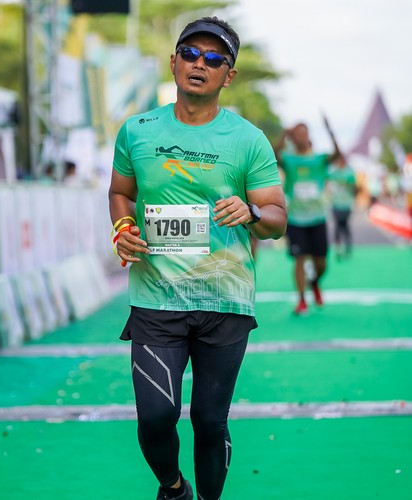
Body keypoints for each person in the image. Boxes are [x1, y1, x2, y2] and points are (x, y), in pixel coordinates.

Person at [108, 16, 287, 500]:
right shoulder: (137, 131)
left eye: (213, 58)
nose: (199, 64)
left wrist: (251, 211)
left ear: (228, 75)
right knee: (155, 417)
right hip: (156, 297)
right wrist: (123, 228)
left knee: (209, 420)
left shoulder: (248, 139)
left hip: (224, 299)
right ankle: (173, 487)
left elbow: (276, 218)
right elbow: (121, 193)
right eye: (190, 53)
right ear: (173, 62)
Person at [275, 118, 341, 314]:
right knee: (300, 259)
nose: (301, 137)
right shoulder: (289, 159)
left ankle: (315, 282)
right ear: (293, 137)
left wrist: (330, 131)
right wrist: (283, 135)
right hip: (295, 219)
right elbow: (274, 155)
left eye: (304, 133)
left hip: (317, 218)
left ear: (309, 135)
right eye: (297, 134)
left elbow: (338, 155)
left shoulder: (319, 159)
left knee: (321, 263)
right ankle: (302, 299)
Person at [327, 153, 357, 258]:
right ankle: (338, 248)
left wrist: (352, 195)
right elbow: (327, 182)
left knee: (345, 225)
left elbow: (354, 188)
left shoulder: (349, 173)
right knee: (337, 226)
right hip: (335, 204)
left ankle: (348, 246)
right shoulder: (333, 173)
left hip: (346, 204)